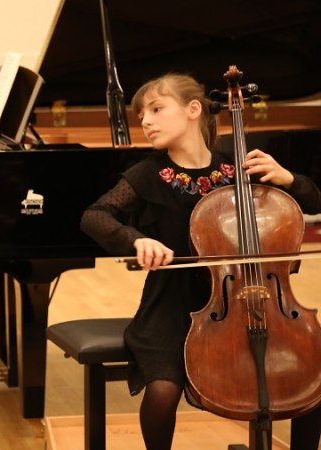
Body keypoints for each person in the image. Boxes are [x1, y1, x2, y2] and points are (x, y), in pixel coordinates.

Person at [80, 73, 321, 450]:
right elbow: (94, 216)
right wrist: (136, 238)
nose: (146, 121)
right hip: (172, 305)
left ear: (193, 109)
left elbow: (313, 203)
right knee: (162, 392)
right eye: (142, 115)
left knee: (310, 381)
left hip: (256, 301)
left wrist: (290, 179)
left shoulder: (240, 169)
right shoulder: (148, 174)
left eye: (156, 109)